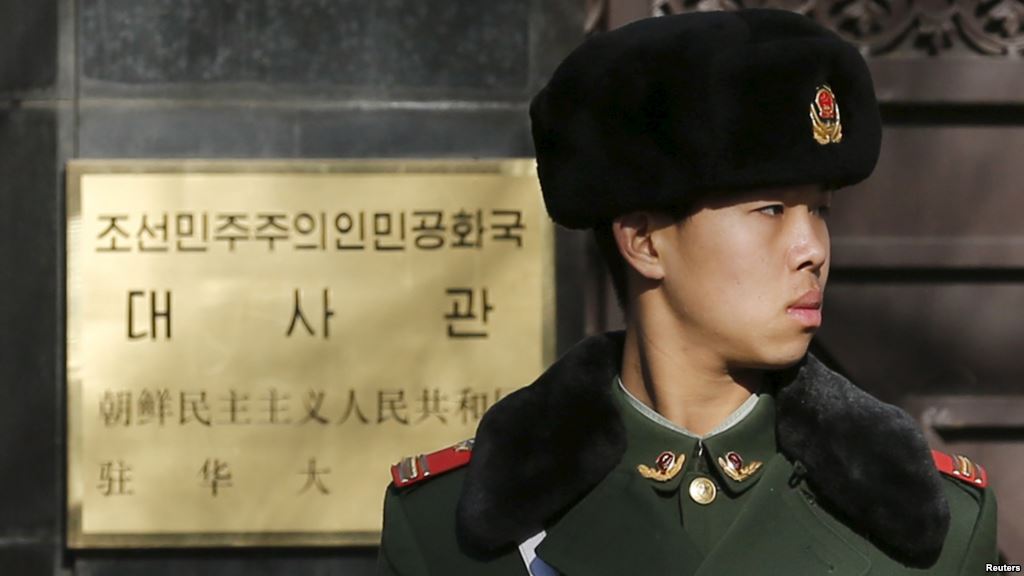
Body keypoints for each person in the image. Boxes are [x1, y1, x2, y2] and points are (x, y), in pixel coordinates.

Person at [376, 9, 997, 575]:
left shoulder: (934, 521)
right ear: (644, 242)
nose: (813, 248)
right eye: (772, 209)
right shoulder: (449, 530)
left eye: (821, 211)